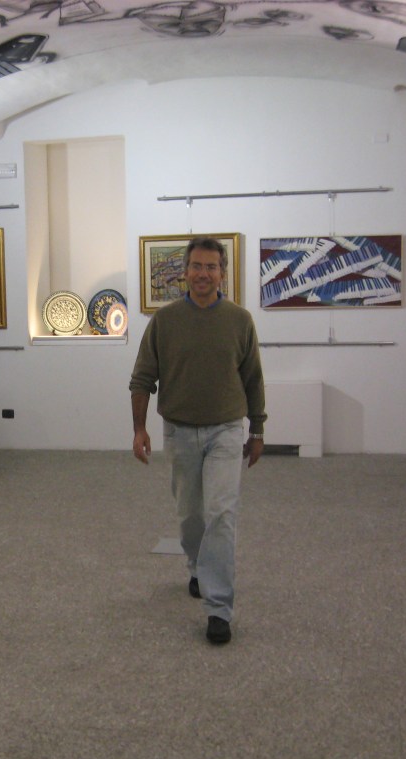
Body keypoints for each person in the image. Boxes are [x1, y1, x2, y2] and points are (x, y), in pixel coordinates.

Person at [129, 237, 266, 646]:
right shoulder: (165, 321)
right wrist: (139, 429)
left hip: (227, 430)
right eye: (197, 266)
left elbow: (253, 378)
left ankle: (218, 609)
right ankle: (195, 566)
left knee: (222, 513)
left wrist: (257, 429)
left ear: (223, 273)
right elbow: (142, 378)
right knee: (190, 516)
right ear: (185, 272)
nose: (203, 274)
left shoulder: (240, 320)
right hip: (181, 431)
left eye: (211, 267)